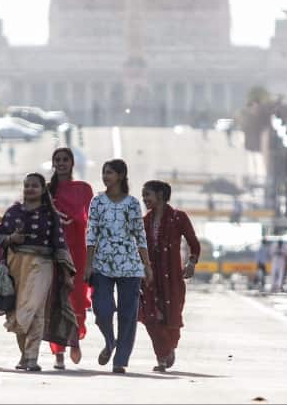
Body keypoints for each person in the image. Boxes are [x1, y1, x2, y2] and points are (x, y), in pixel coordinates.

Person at [0, 172, 78, 372]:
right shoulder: (13, 212)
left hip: (42, 264)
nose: (30, 189)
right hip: (15, 264)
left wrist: (66, 275)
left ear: (43, 190)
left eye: (34, 185)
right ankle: (25, 356)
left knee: (33, 309)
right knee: (17, 311)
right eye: (27, 185)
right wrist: (11, 239)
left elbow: (60, 244)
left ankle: (32, 357)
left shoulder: (50, 215)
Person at [84, 159, 152, 374]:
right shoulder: (97, 201)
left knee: (127, 314)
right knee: (102, 309)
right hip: (102, 264)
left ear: (121, 176)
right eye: (104, 172)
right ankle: (109, 341)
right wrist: (88, 264)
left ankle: (120, 360)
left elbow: (139, 235)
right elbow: (91, 234)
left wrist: (147, 264)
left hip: (130, 265)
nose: (105, 176)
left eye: (110, 173)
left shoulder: (132, 203)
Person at [139, 180, 200, 372]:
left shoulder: (178, 218)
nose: (144, 199)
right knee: (150, 318)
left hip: (172, 278)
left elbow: (193, 243)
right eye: (143, 195)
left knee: (171, 317)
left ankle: (169, 348)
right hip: (149, 278)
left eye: (147, 195)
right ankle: (162, 358)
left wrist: (191, 262)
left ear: (160, 195)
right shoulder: (144, 221)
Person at [46, 147, 93, 370]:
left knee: (77, 297)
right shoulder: (47, 190)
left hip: (78, 250)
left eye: (65, 159)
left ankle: (74, 339)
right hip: (55, 251)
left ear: (72, 163)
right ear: (53, 163)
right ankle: (58, 352)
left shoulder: (83, 189)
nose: (61, 163)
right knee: (56, 299)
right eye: (58, 160)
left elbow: (93, 219)